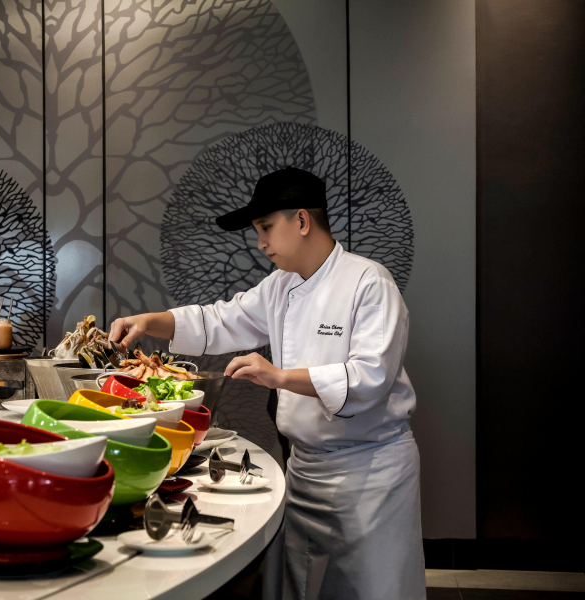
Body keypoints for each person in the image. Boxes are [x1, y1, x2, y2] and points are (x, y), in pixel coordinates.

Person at [108, 167, 426, 599]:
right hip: (304, 470)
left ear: (302, 220)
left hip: (370, 474)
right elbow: (219, 320)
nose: (260, 243)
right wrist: (149, 321)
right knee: (297, 587)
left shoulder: (369, 282)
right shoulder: (280, 286)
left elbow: (369, 378)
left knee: (372, 590)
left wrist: (278, 377)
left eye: (265, 228)